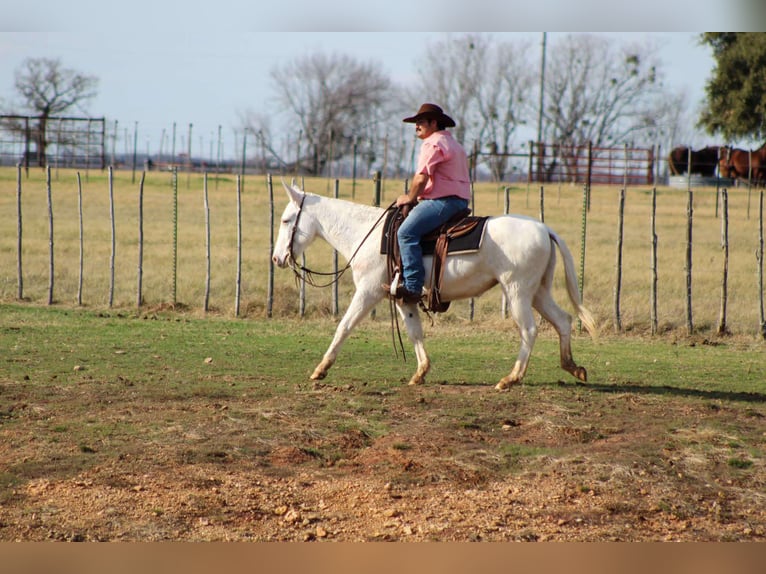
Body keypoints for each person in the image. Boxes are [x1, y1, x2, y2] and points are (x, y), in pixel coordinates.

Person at [385, 103, 472, 303]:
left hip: (442, 201)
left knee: (405, 233)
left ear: (434, 123)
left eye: (421, 122)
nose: (416, 126)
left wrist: (410, 197)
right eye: (415, 123)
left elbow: (421, 178)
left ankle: (413, 285)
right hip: (459, 201)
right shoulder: (455, 145)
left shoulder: (432, 144)